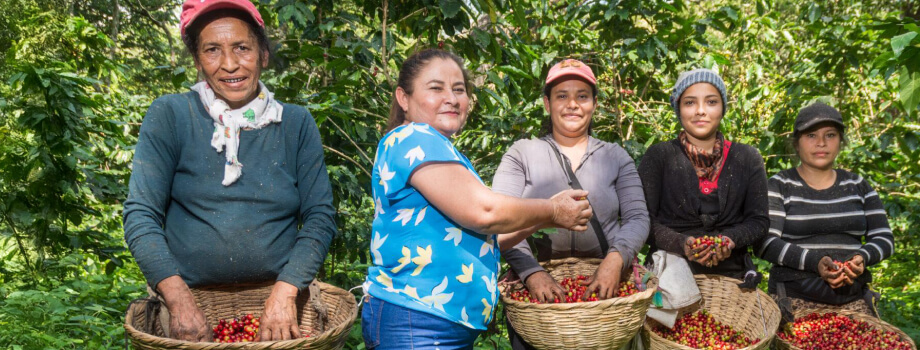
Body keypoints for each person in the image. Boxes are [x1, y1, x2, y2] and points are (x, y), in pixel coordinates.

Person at [123, 0, 337, 342]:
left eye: (242, 48)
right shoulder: (171, 115)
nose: (229, 64)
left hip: (279, 303)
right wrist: (178, 299)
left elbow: (320, 216)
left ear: (263, 54)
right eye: (212, 50)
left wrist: (285, 293)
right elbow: (140, 214)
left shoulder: (295, 123)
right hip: (190, 301)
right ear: (197, 61)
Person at [362, 49, 594, 349]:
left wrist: (547, 218)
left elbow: (483, 237)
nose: (451, 97)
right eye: (436, 88)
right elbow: (483, 211)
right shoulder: (413, 137)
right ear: (403, 99)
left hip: (441, 324)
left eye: (459, 89)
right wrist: (551, 208)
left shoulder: (441, 150)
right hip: (416, 319)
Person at [492, 59, 650, 349]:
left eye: (582, 96)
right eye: (561, 95)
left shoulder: (616, 157)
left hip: (607, 300)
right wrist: (531, 273)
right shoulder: (523, 153)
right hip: (538, 304)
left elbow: (638, 218)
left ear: (594, 104)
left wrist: (615, 261)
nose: (572, 104)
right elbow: (501, 219)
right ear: (546, 103)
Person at [754, 102, 896, 318]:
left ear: (840, 141)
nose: (821, 143)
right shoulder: (780, 185)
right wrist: (814, 262)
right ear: (797, 143)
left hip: (853, 300)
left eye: (830, 135)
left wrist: (862, 257)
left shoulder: (857, 185)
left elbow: (884, 238)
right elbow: (765, 243)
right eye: (811, 136)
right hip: (794, 300)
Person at [639, 69, 768, 287]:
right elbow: (643, 221)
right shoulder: (659, 156)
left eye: (711, 102)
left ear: (722, 108)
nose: (700, 111)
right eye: (690, 103)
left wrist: (728, 241)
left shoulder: (747, 158)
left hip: (733, 280)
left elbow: (759, 221)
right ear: (678, 109)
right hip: (669, 277)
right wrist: (683, 243)